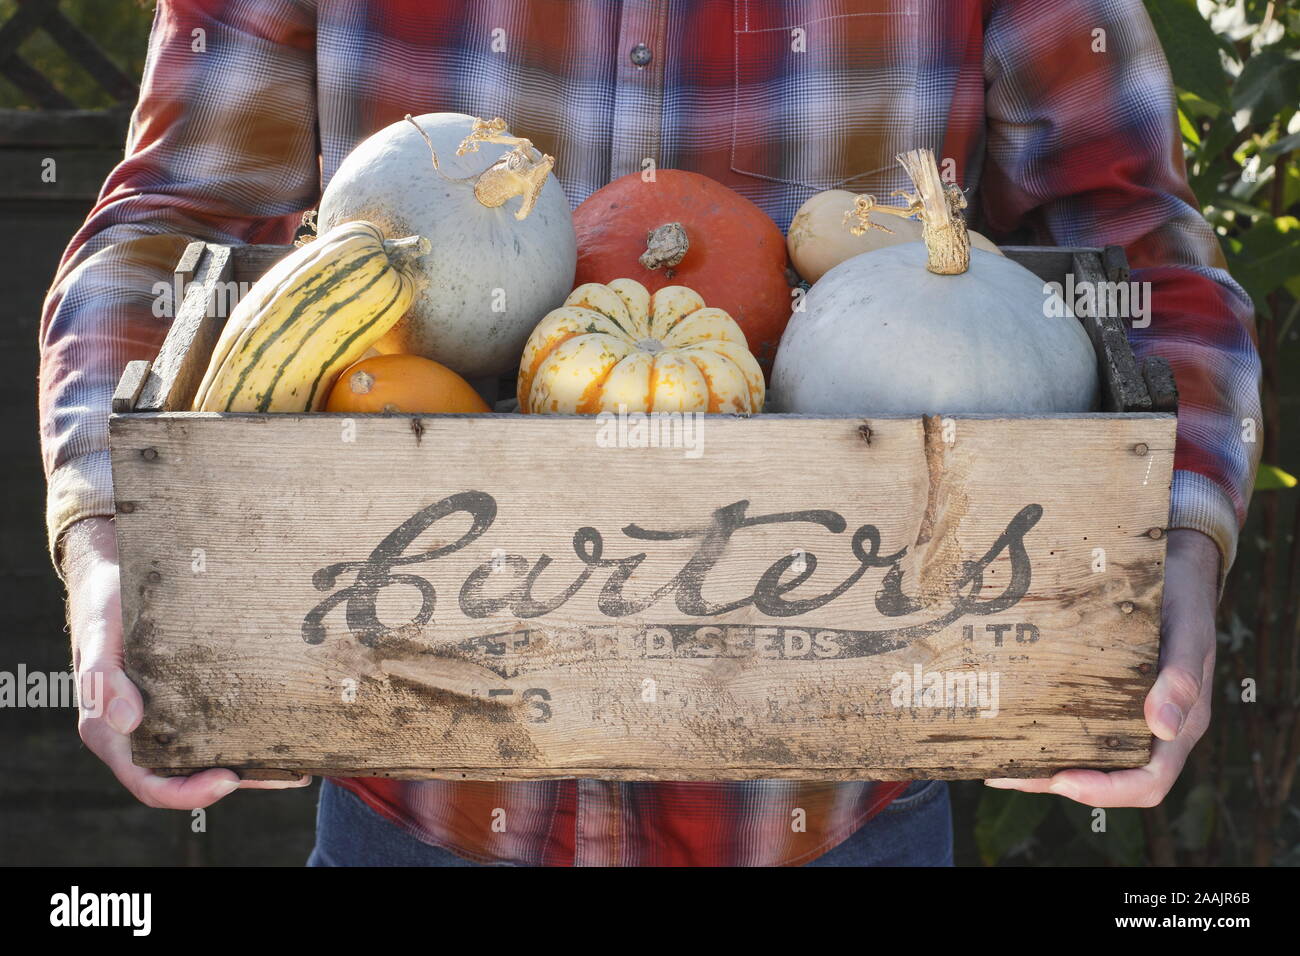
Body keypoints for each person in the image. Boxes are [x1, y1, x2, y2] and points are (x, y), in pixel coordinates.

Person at [43, 0, 1260, 867]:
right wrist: (107, 528)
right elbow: (174, 223)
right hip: (415, 808)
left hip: (842, 804)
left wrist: (1182, 538)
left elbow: (1132, 246)